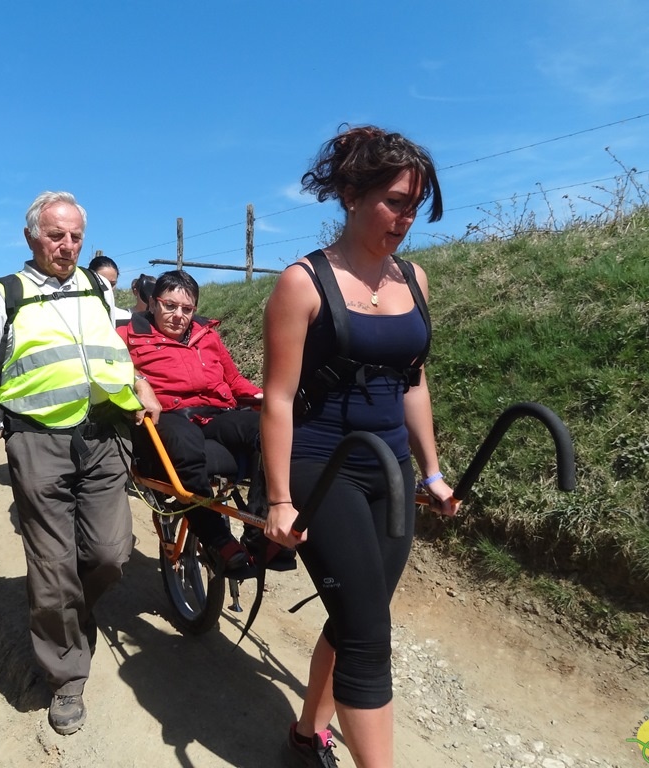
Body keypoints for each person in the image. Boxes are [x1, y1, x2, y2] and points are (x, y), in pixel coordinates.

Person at [260, 125, 455, 768]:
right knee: (370, 635)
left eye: (415, 204)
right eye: (395, 201)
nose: (406, 219)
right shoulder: (303, 283)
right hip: (323, 470)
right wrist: (282, 500)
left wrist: (430, 472)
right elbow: (280, 399)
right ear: (349, 192)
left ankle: (303, 736)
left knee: (356, 615)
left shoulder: (416, 279)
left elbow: (413, 381)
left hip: (391, 473)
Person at [0, 190, 160, 737]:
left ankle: (69, 613)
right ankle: (66, 673)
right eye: (55, 235)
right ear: (31, 237)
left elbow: (115, 350)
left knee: (111, 553)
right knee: (53, 564)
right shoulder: (4, 296)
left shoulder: (96, 286)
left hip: (104, 436)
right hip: (38, 442)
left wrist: (142, 383)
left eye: (76, 236)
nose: (66, 246)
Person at [118, 269, 263, 575]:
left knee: (269, 430)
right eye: (170, 306)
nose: (178, 315)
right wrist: (138, 380)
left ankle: (260, 530)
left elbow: (234, 380)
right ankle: (217, 539)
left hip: (216, 412)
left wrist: (265, 398)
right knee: (186, 442)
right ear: (154, 304)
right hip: (167, 415)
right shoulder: (127, 335)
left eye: (187, 309)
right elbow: (107, 369)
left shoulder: (207, 335)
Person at [88, 255, 132, 323]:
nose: (108, 289)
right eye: (102, 283)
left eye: (112, 284)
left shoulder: (126, 318)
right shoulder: (75, 316)